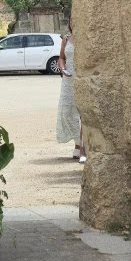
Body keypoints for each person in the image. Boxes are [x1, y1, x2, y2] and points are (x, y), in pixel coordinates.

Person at [56, 22, 84, 162]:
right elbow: (61, 57)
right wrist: (62, 68)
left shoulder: (86, 36)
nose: (73, 22)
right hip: (68, 79)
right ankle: (77, 141)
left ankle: (80, 146)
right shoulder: (66, 38)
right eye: (71, 20)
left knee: (82, 111)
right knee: (67, 111)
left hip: (81, 77)